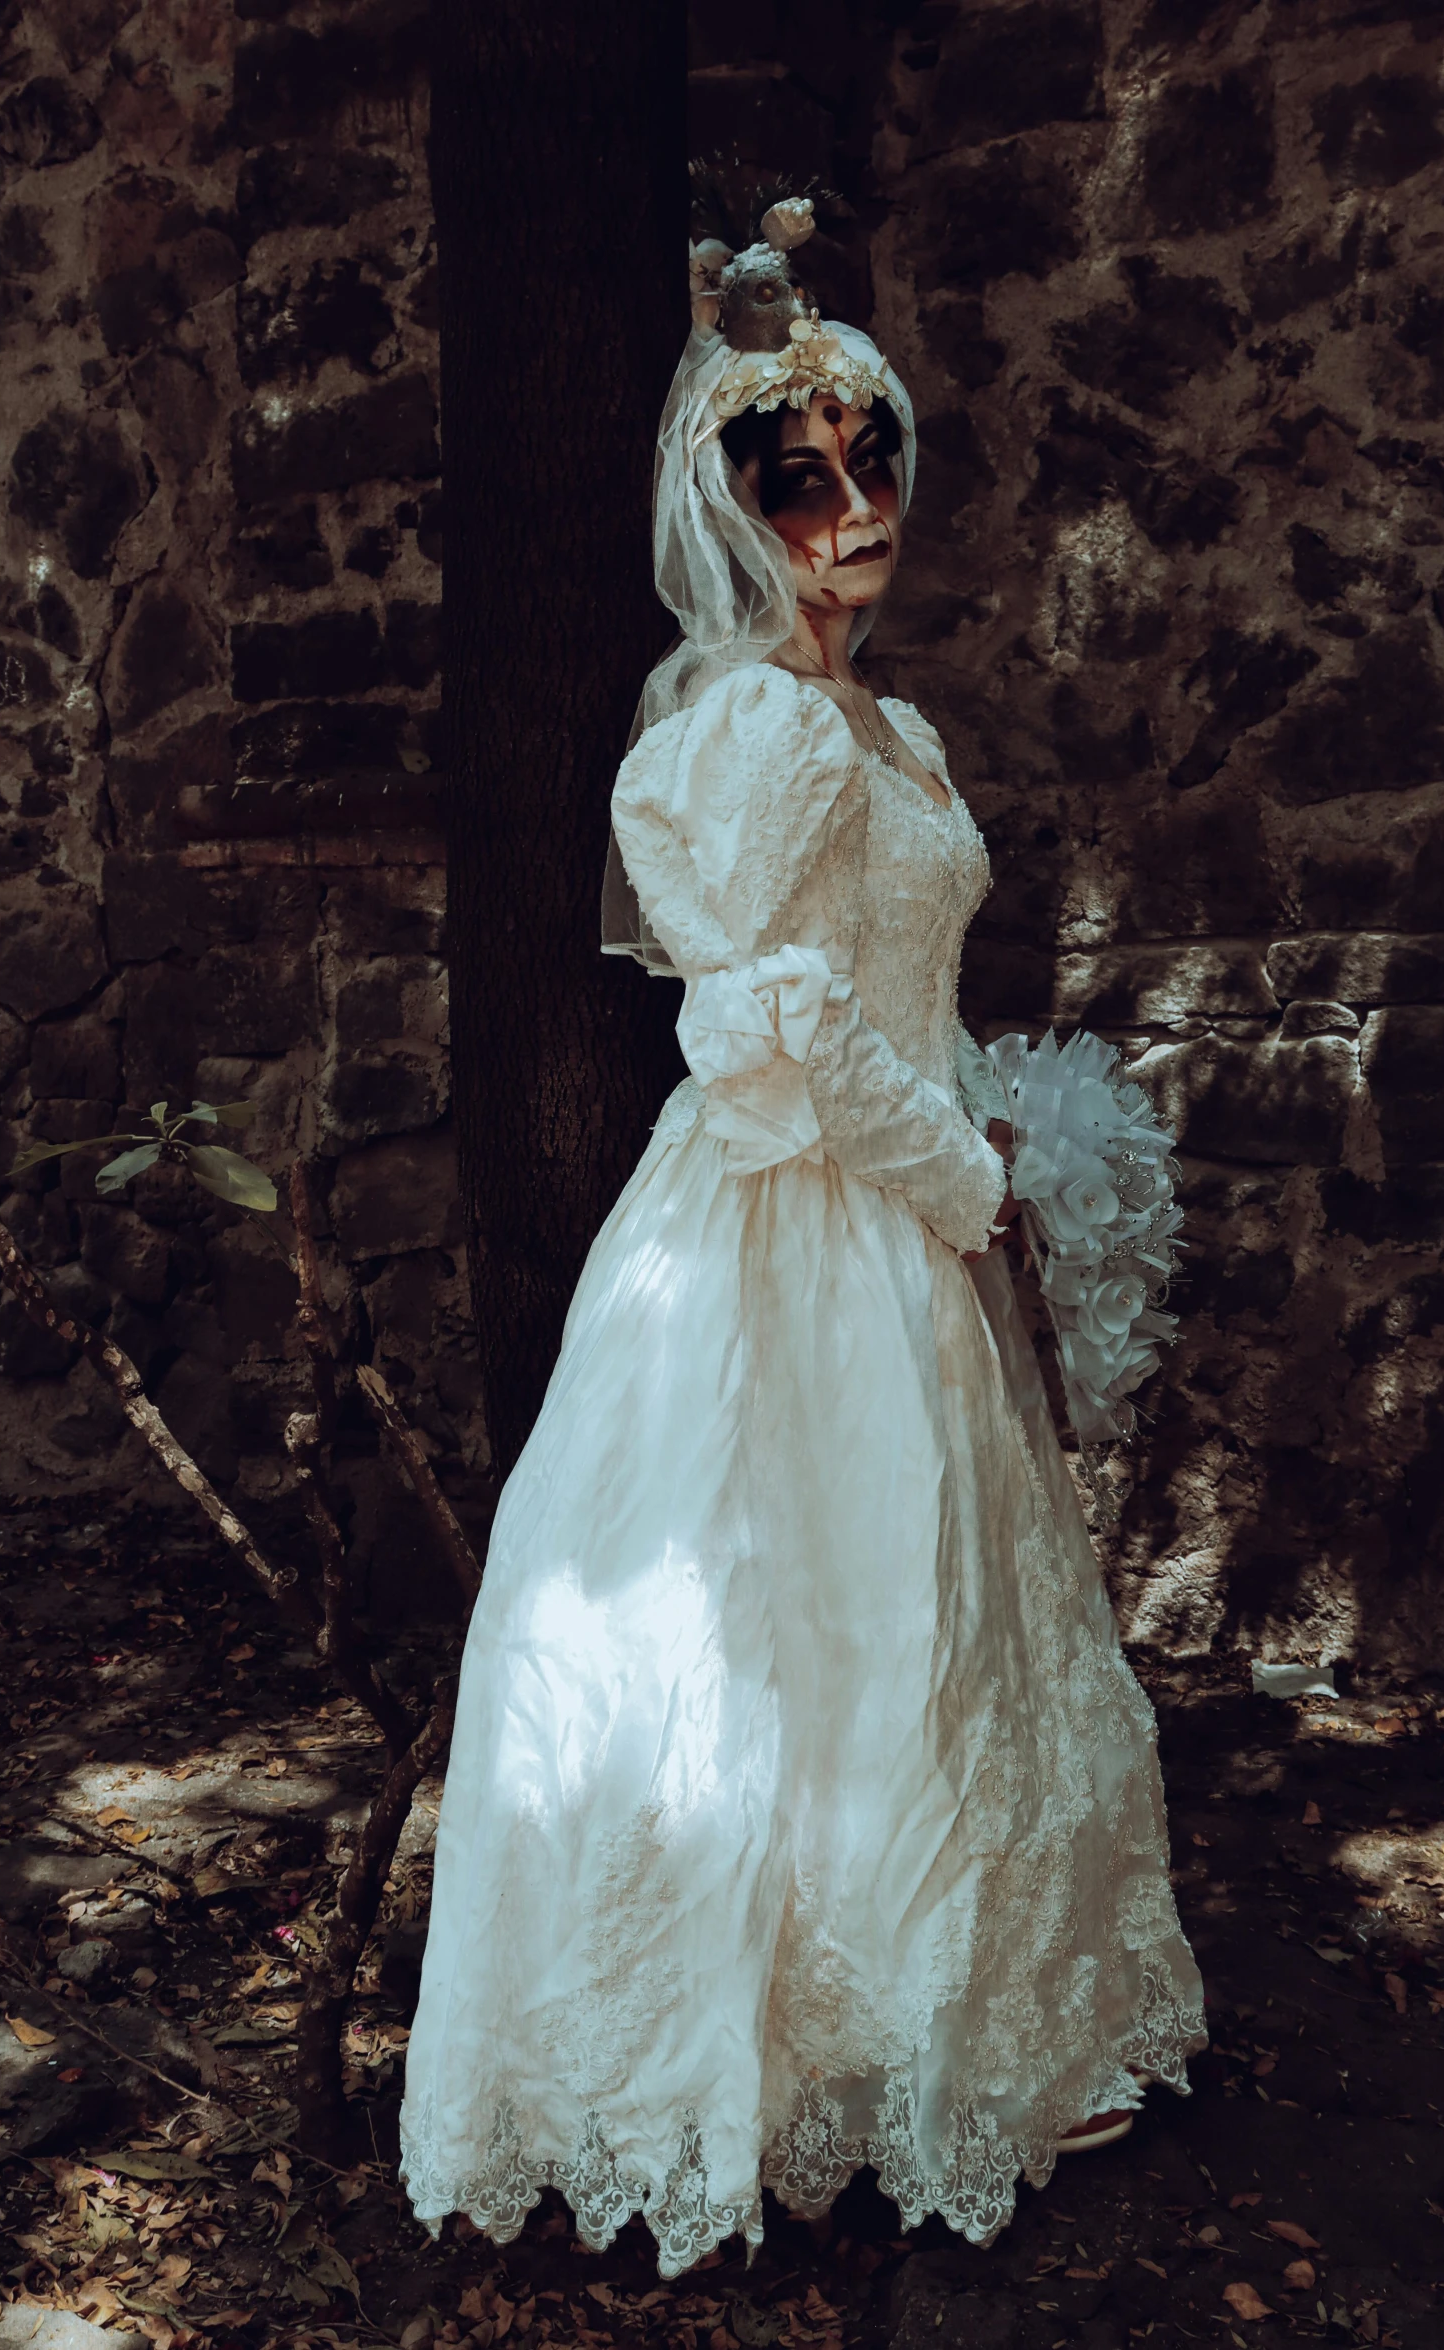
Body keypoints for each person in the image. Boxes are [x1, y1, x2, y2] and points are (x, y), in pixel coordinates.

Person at [399, 204, 1206, 2279]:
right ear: (732, 506)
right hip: (788, 1225)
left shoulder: (894, 729)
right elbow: (753, 1013)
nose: (851, 515)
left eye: (873, 468)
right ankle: (739, 2063)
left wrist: (980, 1136)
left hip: (907, 1225)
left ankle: (940, 2027)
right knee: (768, 1630)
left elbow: (892, 976)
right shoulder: (745, 728)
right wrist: (955, 1167)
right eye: (799, 478)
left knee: (923, 1620)